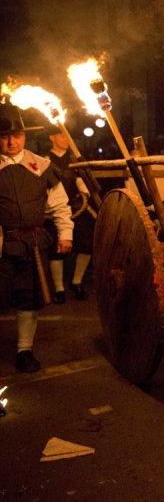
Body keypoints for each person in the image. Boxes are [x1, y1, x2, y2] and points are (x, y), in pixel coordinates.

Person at [0, 114, 73, 373]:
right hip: (2, 246)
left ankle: (24, 350)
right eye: (5, 136)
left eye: (17, 136)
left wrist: (65, 234)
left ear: (25, 136)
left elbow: (60, 205)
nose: (11, 142)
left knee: (29, 299)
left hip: (32, 244)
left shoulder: (41, 166)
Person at [45, 128, 93, 303]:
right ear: (52, 136)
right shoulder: (44, 160)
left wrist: (85, 191)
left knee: (87, 245)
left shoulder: (74, 159)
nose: (66, 138)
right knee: (56, 250)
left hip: (75, 207)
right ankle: (59, 289)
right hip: (52, 210)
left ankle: (77, 282)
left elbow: (79, 179)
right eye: (62, 134)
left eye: (68, 135)